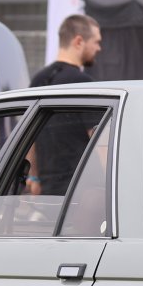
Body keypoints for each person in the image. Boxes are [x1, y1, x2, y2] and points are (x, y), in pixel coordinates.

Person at [26, 14, 102, 195]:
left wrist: (34, 178)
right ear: (78, 42)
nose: (99, 48)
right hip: (83, 192)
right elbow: (100, 140)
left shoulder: (39, 80)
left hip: (48, 191)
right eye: (96, 42)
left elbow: (29, 138)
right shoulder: (82, 83)